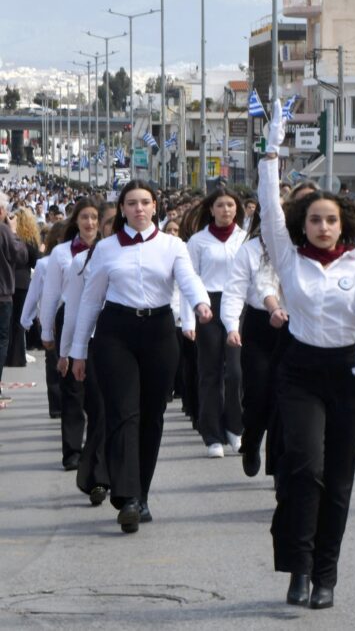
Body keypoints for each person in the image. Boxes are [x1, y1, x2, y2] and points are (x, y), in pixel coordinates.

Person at [257, 101, 355, 609]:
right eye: (315, 220)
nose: (324, 227)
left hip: (351, 375)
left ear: (344, 225)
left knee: (338, 480)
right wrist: (271, 152)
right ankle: (299, 567)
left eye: (332, 220)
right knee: (303, 468)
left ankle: (326, 574)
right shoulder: (289, 260)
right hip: (302, 373)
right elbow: (269, 209)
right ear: (303, 225)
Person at [70, 181, 213, 534]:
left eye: (145, 202)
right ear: (121, 209)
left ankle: (141, 495)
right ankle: (127, 497)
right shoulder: (106, 249)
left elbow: (189, 279)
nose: (138, 209)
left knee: (152, 416)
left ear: (155, 206)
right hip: (115, 332)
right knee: (123, 413)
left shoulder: (172, 245)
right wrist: (76, 351)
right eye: (131, 203)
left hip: (159, 332)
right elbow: (90, 300)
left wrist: (201, 303)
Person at [222, 209, 287, 477]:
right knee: (258, 393)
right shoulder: (248, 250)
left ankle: (279, 465)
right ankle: (251, 442)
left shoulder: (296, 249)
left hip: (294, 327)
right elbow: (235, 290)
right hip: (260, 328)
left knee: (284, 399)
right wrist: (231, 326)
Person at [186, 187, 248, 458]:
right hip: (207, 306)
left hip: (239, 305)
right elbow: (188, 279)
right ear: (211, 209)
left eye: (231, 206)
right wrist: (189, 318)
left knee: (235, 372)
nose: (226, 210)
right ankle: (212, 434)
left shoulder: (245, 239)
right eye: (220, 205)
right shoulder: (198, 241)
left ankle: (235, 426)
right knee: (210, 372)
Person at [40, 197, 100, 470]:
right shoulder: (62, 253)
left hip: (101, 323)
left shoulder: (107, 250)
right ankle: (72, 452)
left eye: (94, 218)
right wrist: (47, 329)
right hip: (70, 318)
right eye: (85, 217)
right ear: (76, 220)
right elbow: (51, 294)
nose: (89, 223)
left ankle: (95, 449)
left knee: (97, 393)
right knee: (72, 390)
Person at [56, 218, 110, 507]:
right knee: (100, 411)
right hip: (92, 345)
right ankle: (97, 476)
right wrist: (67, 353)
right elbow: (74, 311)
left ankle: (120, 477)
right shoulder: (81, 263)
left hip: (131, 345)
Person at [21, 221, 65, 418]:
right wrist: (26, 318)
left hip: (75, 317)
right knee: (53, 361)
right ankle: (56, 405)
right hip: (50, 318)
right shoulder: (44, 264)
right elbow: (34, 292)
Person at [0, 194, 28, 408]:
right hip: (2, 294)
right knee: (2, 340)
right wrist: (14, 231)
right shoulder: (4, 232)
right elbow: (21, 255)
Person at [7, 208, 39, 368]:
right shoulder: (30, 241)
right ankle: (17, 357)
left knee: (8, 321)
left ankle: (7, 355)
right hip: (23, 283)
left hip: (8, 281)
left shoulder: (8, 237)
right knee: (19, 321)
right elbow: (35, 261)